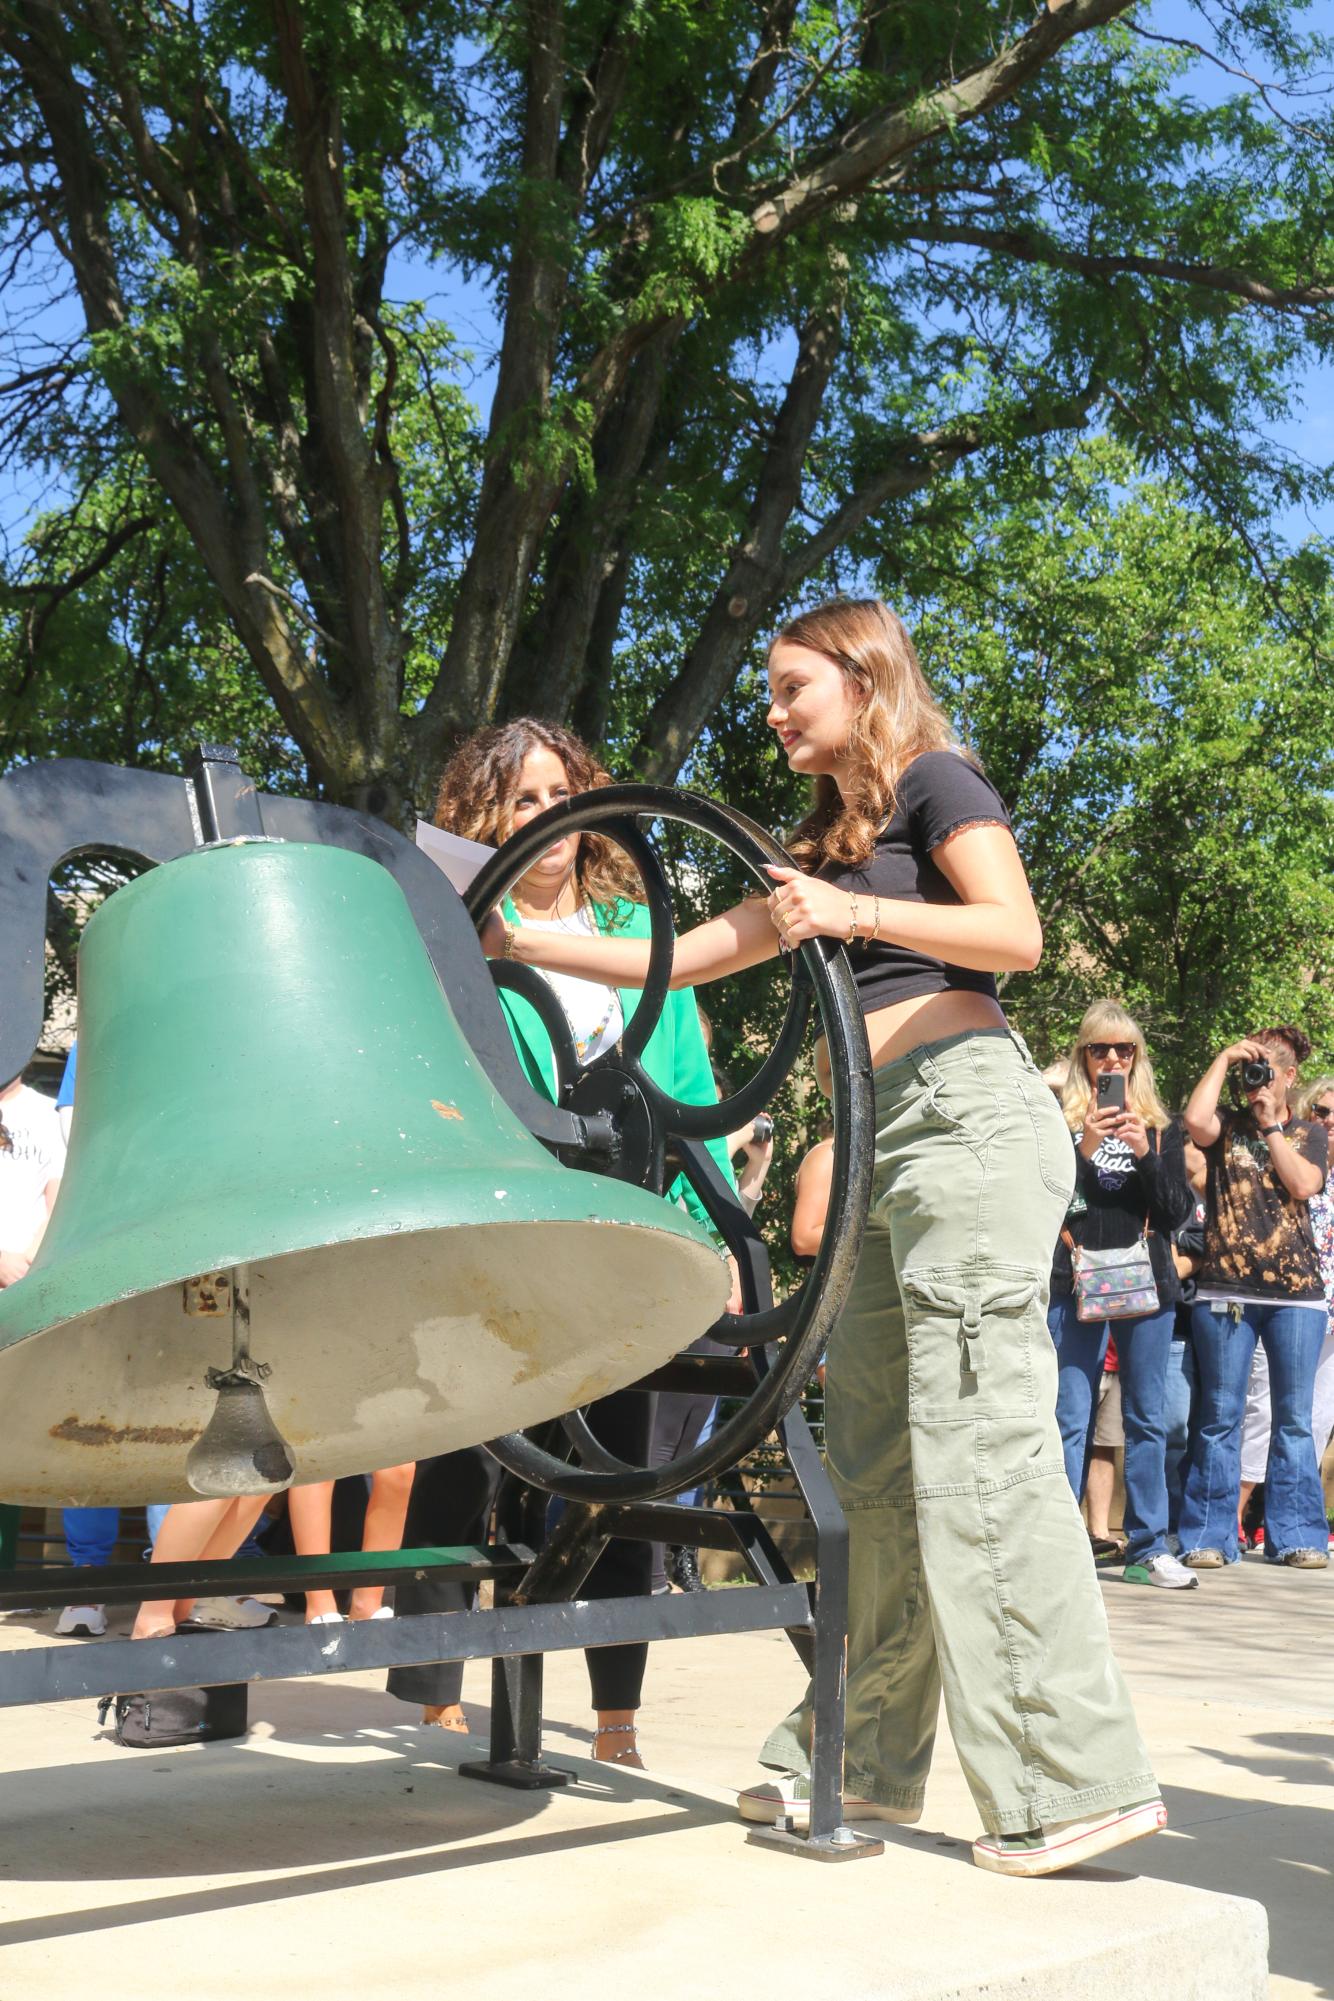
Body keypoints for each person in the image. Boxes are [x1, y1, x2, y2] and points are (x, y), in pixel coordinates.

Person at [487, 597, 1162, 1876]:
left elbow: (1009, 935)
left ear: (862, 677)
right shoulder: (824, 844)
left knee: (980, 1445)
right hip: (880, 1145)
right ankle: (856, 1764)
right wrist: (511, 937)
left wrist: (850, 918)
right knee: (872, 1469)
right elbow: (681, 959)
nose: (772, 707)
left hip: (967, 1124)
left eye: (793, 684)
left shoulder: (933, 781)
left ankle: (1066, 1786)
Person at [387, 719, 737, 1765]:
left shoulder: (638, 932)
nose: (545, 819)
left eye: (559, 793)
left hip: (627, 1215)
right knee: (470, 1445)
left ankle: (615, 1707)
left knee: (620, 1458)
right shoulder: (457, 936)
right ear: (483, 817)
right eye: (522, 800)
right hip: (504, 1214)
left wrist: (711, 1233)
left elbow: (692, 1099)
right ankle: (438, 1678)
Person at [1048, 1005, 1196, 1589]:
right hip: (1075, 1282)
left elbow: (1179, 1212)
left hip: (1146, 1285)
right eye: (1100, 1049)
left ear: (1138, 1058)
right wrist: (1081, 1151)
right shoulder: (1057, 1123)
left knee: (1147, 1420)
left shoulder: (1161, 1126)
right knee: (1069, 1417)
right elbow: (1046, 1205)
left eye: (1124, 1050)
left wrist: (1145, 1154)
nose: (1113, 1059)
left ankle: (1147, 1548)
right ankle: (1059, 1547)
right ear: (1083, 1056)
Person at [1179, 1027, 1329, 1569]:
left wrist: (1270, 1126)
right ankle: (1208, 1539)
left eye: (1268, 1073)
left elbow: (1303, 1185)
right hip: (1225, 1290)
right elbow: (1196, 1122)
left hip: (1296, 1297)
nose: (1257, 1084)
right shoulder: (1225, 1129)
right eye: (1251, 1074)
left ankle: (1296, 1537)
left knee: (1293, 1420)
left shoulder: (1310, 1131)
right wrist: (1222, 1056)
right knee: (1219, 1416)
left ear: (1289, 1078)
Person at [1233, 1076, 1334, 1551]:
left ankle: (1288, 1523)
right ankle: (1235, 1515)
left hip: (1327, 1314)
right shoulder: (1288, 1154)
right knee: (1262, 1411)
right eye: (1322, 1112)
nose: (1329, 1122)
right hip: (1284, 1302)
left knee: (1312, 1420)